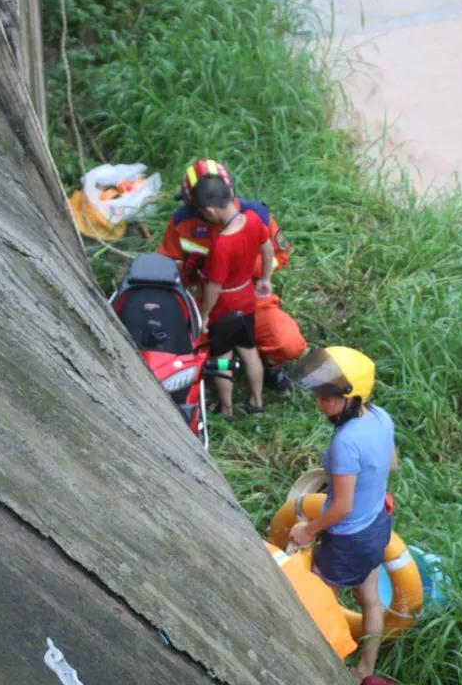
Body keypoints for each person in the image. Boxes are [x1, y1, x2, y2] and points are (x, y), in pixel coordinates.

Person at [287, 346, 397, 683]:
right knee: (370, 600)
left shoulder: (345, 442)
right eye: (319, 396)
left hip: (348, 539)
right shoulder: (380, 416)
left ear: (352, 396)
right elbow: (390, 463)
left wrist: (308, 530)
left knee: (313, 603)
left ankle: (314, 665)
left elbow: (342, 507)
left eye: (328, 397)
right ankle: (366, 667)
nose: (320, 403)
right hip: (378, 524)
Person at [159, 159, 307, 390]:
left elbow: (281, 255)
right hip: (207, 303)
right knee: (178, 350)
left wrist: (244, 268)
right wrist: (194, 274)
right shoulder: (182, 223)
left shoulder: (257, 216)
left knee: (288, 344)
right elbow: (168, 266)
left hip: (253, 298)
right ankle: (223, 363)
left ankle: (266, 363)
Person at [192, 171, 273, 417]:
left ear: (210, 212)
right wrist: (265, 279)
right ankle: (256, 402)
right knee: (249, 351)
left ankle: (226, 408)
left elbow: (214, 286)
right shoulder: (253, 219)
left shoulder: (221, 246)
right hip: (247, 297)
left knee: (222, 359)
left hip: (225, 306)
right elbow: (267, 248)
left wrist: (204, 314)